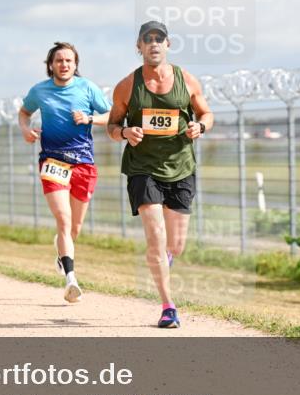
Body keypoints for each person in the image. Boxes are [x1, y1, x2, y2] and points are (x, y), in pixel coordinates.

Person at [107, 21, 214, 329]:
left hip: (181, 166)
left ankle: (163, 261)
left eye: (159, 39)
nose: (154, 44)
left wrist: (200, 126)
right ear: (138, 47)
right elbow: (112, 127)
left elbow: (207, 113)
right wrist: (125, 132)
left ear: (168, 45)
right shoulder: (127, 86)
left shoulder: (186, 80)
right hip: (143, 169)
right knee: (156, 238)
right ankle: (168, 306)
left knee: (175, 244)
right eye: (147, 39)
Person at [19, 41, 110, 303]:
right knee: (63, 219)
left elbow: (113, 115)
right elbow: (24, 112)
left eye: (69, 60)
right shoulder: (40, 90)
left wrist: (90, 118)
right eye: (59, 60)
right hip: (53, 162)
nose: (64, 64)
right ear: (51, 65)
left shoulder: (88, 88)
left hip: (83, 162)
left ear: (75, 64)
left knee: (75, 227)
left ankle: (61, 251)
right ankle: (71, 279)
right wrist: (26, 129)